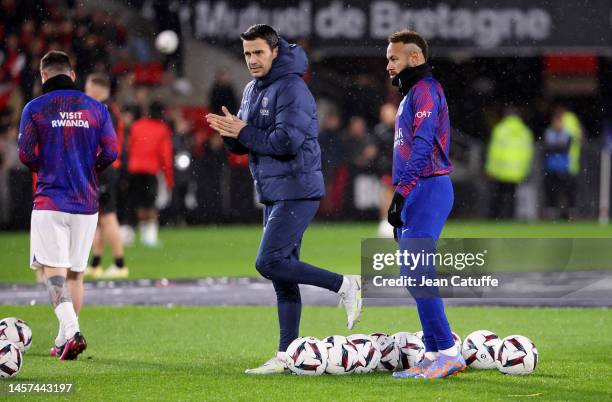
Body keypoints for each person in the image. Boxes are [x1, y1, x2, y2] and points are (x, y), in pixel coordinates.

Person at [206, 24, 362, 375]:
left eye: (258, 52)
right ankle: (288, 355)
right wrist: (232, 134)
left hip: (297, 187)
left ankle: (344, 284)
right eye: (247, 53)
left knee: (268, 262)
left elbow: (285, 142)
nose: (252, 60)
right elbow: (251, 139)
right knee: (283, 278)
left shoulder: (293, 87)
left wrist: (244, 132)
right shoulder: (250, 89)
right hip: (275, 190)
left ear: (275, 51)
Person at [18, 50, 117, 360]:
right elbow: (111, 152)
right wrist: (89, 168)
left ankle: (73, 333)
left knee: (54, 274)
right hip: (86, 203)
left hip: (51, 200)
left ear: (43, 75)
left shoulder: (35, 108)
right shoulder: (96, 109)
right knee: (76, 274)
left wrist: (45, 167)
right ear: (73, 75)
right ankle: (64, 341)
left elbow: (25, 153)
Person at [385, 31, 465, 379]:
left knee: (418, 271)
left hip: (428, 187)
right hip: (418, 189)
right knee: (412, 273)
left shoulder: (426, 91)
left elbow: (422, 145)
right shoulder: (409, 96)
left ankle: (448, 351)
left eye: (394, 58)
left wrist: (401, 193)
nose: (388, 65)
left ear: (414, 58)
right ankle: (433, 353)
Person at [83, 73, 128, 278]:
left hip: (104, 168)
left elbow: (100, 142)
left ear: (96, 89)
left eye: (88, 86)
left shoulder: (102, 110)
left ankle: (120, 265)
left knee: (108, 217)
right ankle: (96, 263)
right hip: (106, 168)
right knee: (99, 218)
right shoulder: (109, 109)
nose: (85, 91)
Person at [126, 101, 174, 246]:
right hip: (151, 170)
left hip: (134, 169)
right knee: (151, 204)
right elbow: (166, 156)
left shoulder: (136, 126)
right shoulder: (162, 129)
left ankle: (139, 234)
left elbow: (129, 148)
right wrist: (169, 179)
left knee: (138, 203)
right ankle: (150, 237)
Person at [485, 107, 534, 219]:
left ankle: (497, 217)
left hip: (501, 170)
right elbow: (528, 153)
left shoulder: (500, 129)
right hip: (517, 171)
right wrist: (525, 169)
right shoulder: (525, 131)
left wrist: (490, 168)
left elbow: (494, 151)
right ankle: (509, 217)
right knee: (512, 197)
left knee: (498, 196)